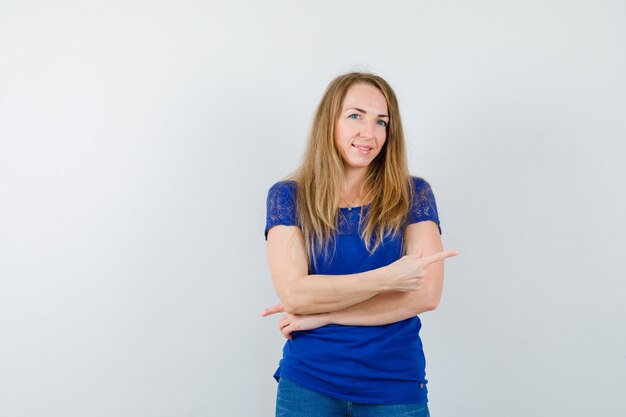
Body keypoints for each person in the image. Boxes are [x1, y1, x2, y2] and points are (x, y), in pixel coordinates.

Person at [261, 72, 458, 417]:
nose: (369, 132)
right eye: (355, 116)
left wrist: (323, 315)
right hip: (310, 382)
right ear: (330, 121)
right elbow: (294, 294)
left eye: (381, 121)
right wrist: (389, 278)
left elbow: (425, 296)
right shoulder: (288, 197)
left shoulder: (414, 195)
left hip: (394, 384)